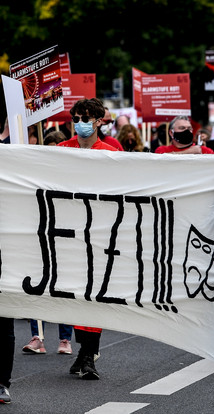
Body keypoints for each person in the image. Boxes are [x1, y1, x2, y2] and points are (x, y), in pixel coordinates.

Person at [57, 98, 118, 380]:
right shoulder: (61, 150)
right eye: (76, 118)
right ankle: (85, 353)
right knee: (74, 293)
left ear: (99, 121)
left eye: (86, 118)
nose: (80, 122)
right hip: (68, 232)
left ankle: (87, 354)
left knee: (96, 295)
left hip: (99, 233)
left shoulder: (110, 152)